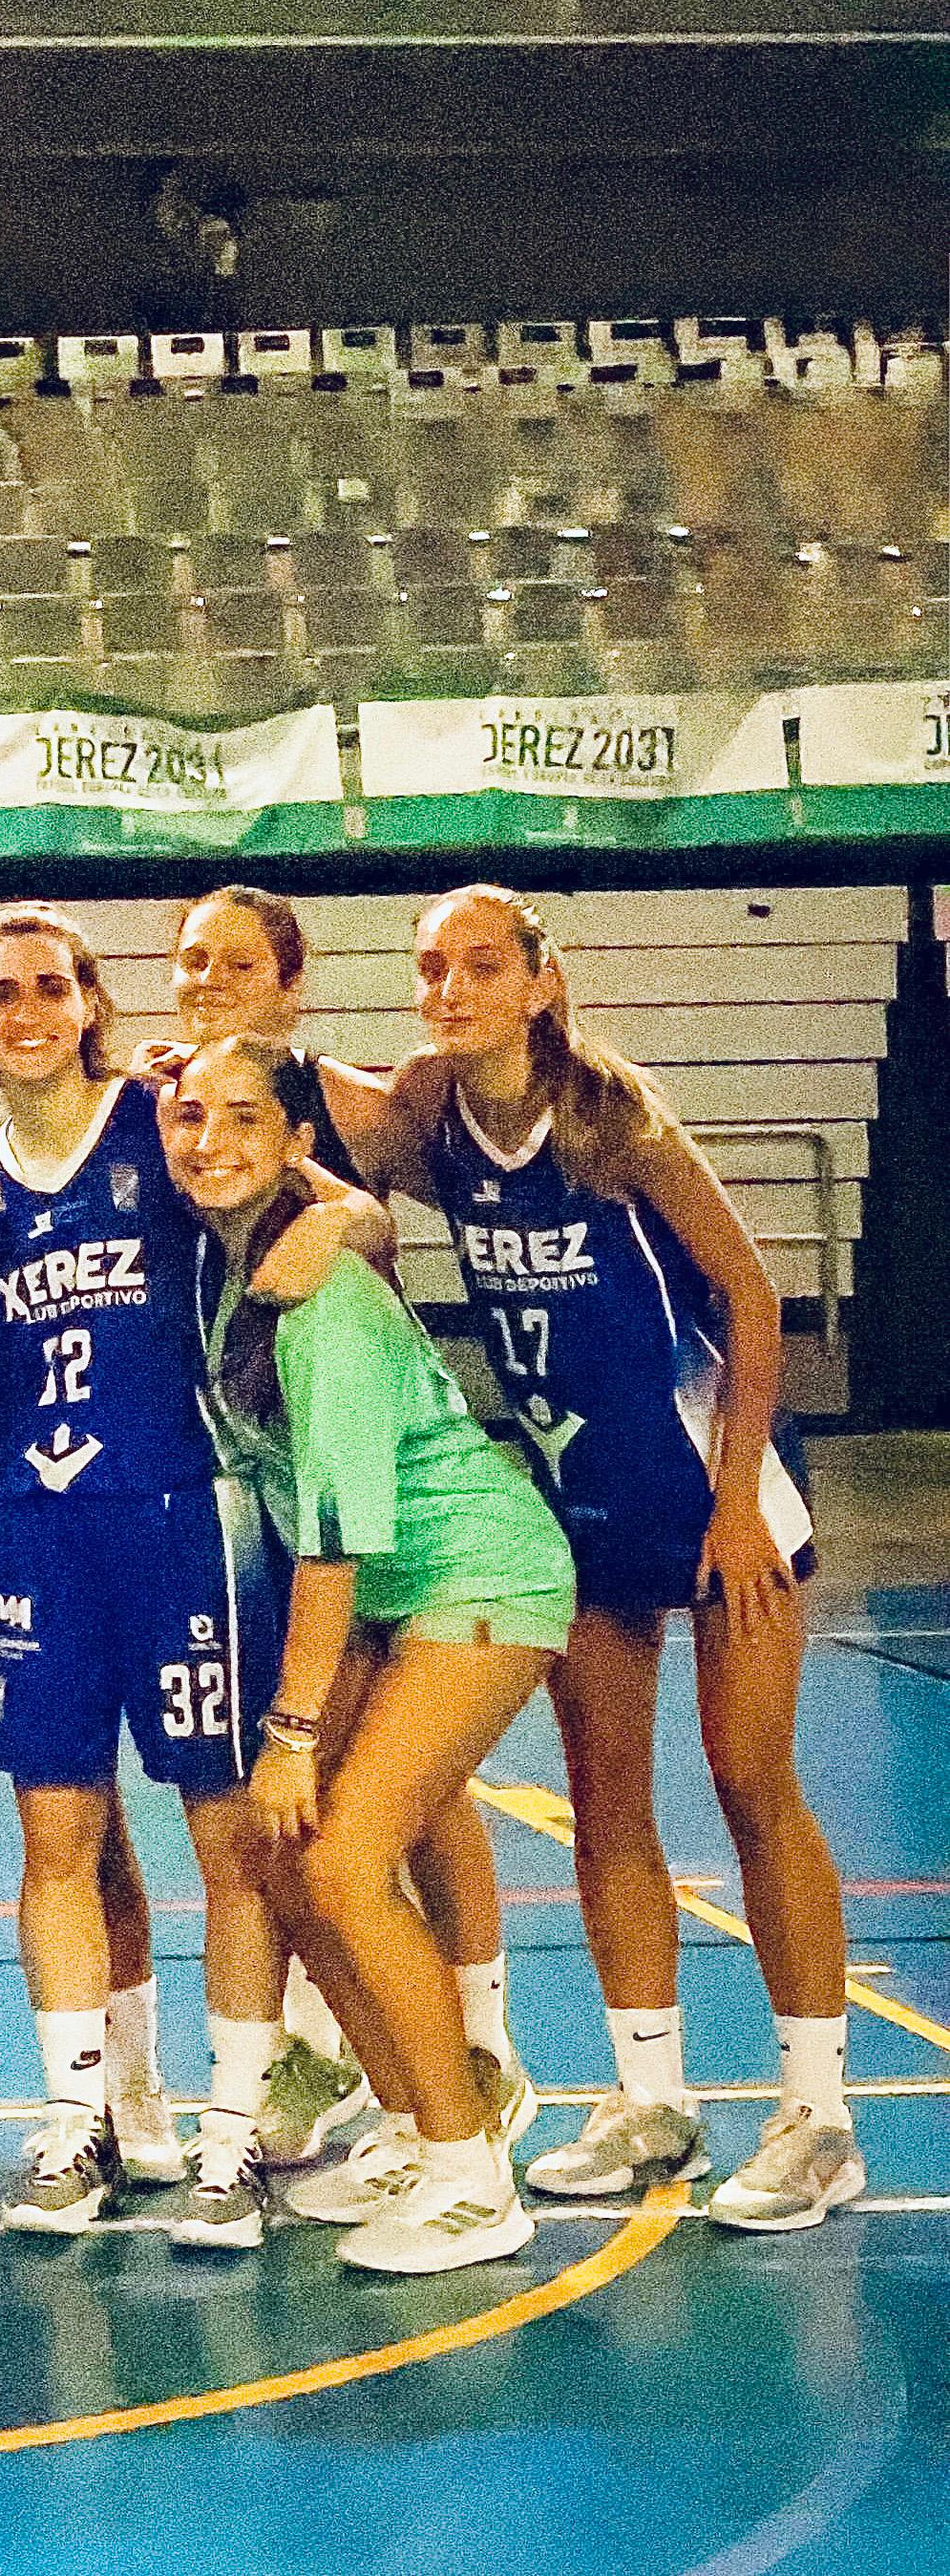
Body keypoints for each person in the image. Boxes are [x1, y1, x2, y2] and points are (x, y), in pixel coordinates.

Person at [369, 885, 858, 2231]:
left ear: (538, 979)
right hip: (579, 1503)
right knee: (607, 1803)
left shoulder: (610, 1119)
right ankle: (652, 2097)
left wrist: (739, 1505)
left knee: (751, 1782)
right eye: (431, 968)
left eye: (480, 964)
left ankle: (818, 2118)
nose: (452, 987)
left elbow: (753, 1298)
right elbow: (308, 1099)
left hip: (713, 1485)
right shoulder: (425, 1112)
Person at [0, 905, 358, 2242]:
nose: (25, 1010)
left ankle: (229, 2141)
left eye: (48, 986)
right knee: (54, 1839)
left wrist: (331, 1230)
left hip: (184, 1517)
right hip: (40, 1530)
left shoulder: (161, 1115)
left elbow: (343, 1208)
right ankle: (78, 2126)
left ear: (89, 1002)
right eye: (0, 992)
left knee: (226, 1839)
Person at [166, 1034, 574, 2269]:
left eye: (245, 1118)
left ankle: (468, 2177)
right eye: (190, 1115)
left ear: (299, 1142)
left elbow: (331, 1545)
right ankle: (409, 2120)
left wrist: (290, 1734)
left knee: (341, 1861)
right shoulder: (230, 1273)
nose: (210, 1138)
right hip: (395, 1592)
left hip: (480, 1574)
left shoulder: (321, 1303)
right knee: (286, 1864)